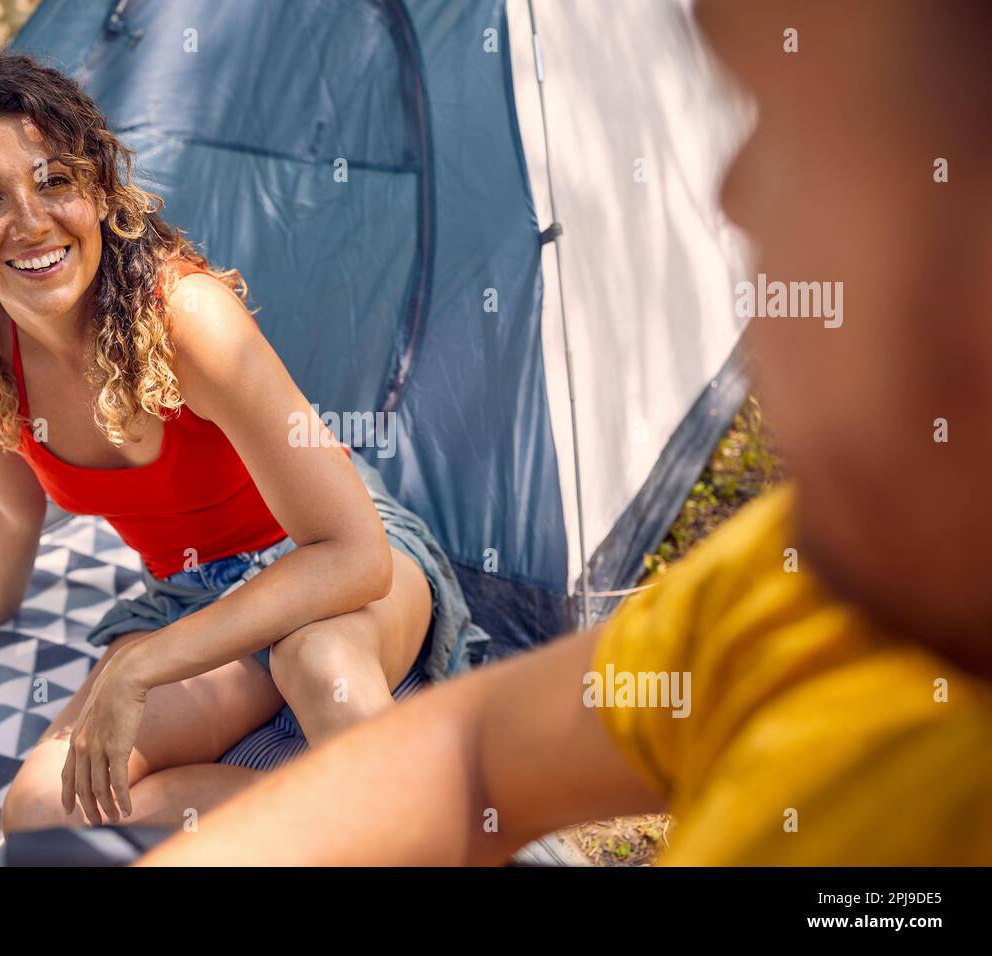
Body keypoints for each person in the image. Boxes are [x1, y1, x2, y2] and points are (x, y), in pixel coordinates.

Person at [134, 0, 992, 866]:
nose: (736, 199)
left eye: (822, 131)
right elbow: (474, 758)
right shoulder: (799, 590)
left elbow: (357, 569)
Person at [0, 53, 486, 834]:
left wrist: (142, 663)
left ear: (99, 188)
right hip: (195, 599)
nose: (31, 221)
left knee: (320, 667)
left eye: (54, 181)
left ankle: (436, 840)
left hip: (326, 564)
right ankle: (347, 820)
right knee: (44, 811)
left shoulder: (187, 318)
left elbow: (354, 555)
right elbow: (14, 512)